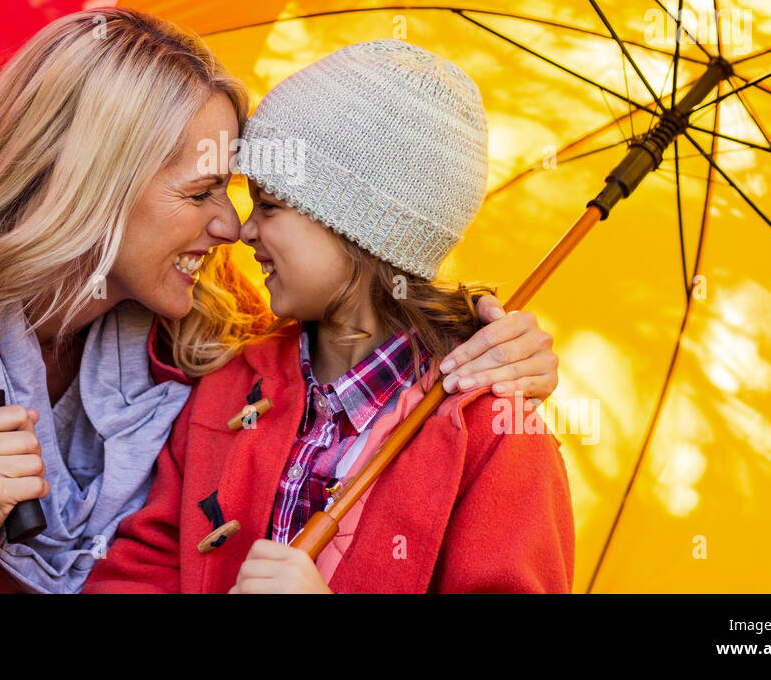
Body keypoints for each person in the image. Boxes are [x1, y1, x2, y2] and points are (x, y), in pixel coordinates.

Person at [0, 11, 562, 594]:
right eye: (206, 194)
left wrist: (501, 346)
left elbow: (375, 326)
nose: (232, 229)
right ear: (99, 187)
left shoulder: (211, 326)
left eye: (259, 203)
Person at [83, 40, 575, 593]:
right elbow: (143, 566)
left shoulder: (495, 435)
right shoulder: (229, 383)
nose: (243, 230)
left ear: (361, 231)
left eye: (270, 206)